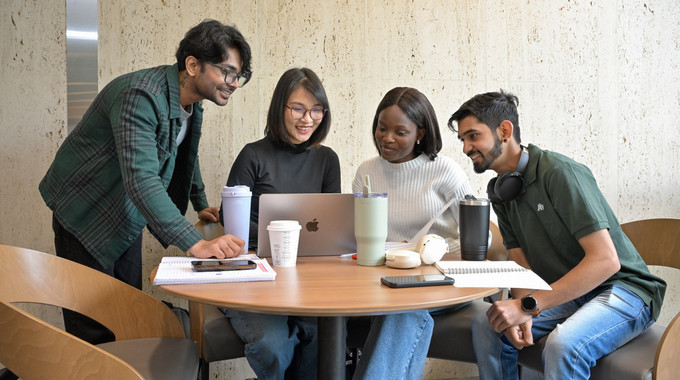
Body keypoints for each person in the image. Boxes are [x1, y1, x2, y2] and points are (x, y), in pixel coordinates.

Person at [39, 19, 251, 344]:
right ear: (193, 64)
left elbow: (183, 156)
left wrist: (200, 203)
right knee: (93, 330)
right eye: (228, 71)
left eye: (239, 76)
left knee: (126, 315)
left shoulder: (188, 103)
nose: (233, 83)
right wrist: (196, 244)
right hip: (84, 211)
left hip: (126, 212)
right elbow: (142, 179)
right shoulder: (140, 95)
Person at [448, 90, 666, 380]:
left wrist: (528, 305)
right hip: (572, 294)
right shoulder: (502, 192)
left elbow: (606, 261)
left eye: (473, 136)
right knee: (489, 326)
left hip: (625, 289)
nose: (466, 148)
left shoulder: (560, 172)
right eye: (463, 139)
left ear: (504, 131)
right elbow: (521, 267)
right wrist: (521, 313)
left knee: (563, 346)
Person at [221, 67, 340, 380]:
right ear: (280, 108)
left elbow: (330, 226)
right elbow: (230, 223)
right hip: (255, 276)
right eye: (298, 109)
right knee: (273, 345)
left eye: (316, 110)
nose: (307, 119)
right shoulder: (253, 155)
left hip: (308, 277)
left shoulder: (327, 159)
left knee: (325, 335)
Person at [350, 87, 473, 379]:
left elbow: (483, 241)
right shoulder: (366, 172)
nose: (387, 137)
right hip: (382, 278)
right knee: (396, 303)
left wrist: (433, 256)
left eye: (399, 131)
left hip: (442, 278)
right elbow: (351, 234)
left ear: (420, 133)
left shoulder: (445, 171)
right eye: (381, 128)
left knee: (403, 308)